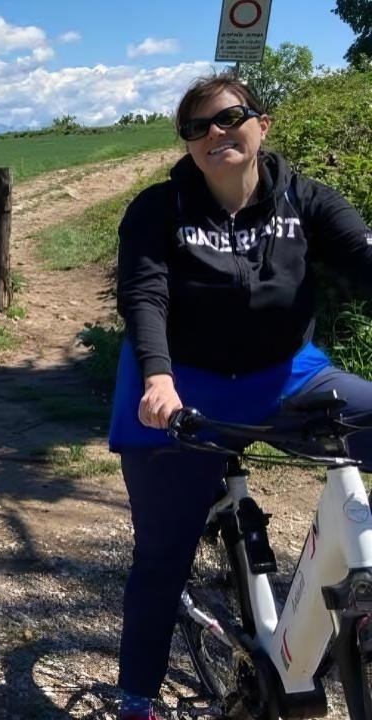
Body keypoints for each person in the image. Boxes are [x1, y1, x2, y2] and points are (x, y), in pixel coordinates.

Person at [109, 71, 372, 720]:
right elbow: (145, 295)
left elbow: (365, 262)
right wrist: (158, 378)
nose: (214, 133)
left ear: (262, 124)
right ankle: (136, 700)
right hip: (177, 385)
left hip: (286, 375)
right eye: (197, 126)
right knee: (162, 557)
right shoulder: (159, 208)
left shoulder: (305, 199)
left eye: (229, 118)